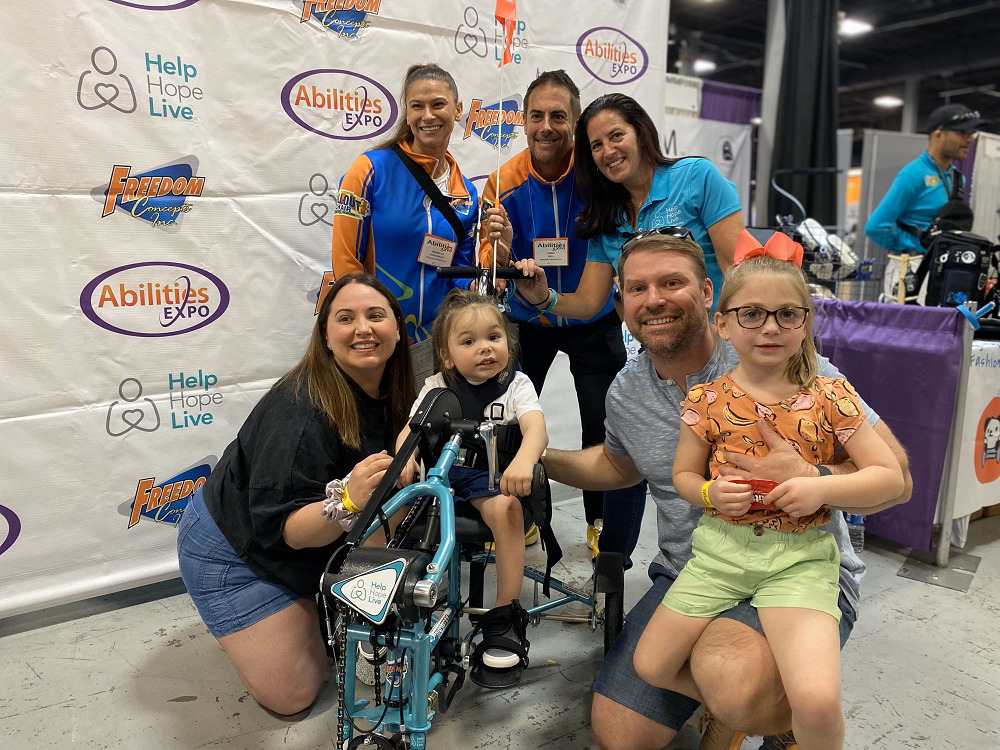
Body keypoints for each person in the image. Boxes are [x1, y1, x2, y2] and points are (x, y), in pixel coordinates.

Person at [540, 232, 911, 750]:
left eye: (673, 282)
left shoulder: (793, 367)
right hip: (696, 567)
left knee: (732, 681)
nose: (655, 299)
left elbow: (898, 479)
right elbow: (618, 466)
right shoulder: (629, 391)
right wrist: (534, 457)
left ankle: (771, 717)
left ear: (709, 296)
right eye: (638, 288)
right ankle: (744, 703)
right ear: (621, 303)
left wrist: (814, 477)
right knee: (621, 733)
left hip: (796, 563)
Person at [511, 92, 746, 567]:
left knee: (728, 473)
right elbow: (591, 302)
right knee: (629, 457)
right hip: (653, 361)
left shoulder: (696, 178)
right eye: (596, 145)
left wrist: (757, 336)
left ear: (642, 132)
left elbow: (739, 264)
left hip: (720, 357)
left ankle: (736, 570)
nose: (608, 151)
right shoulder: (608, 214)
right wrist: (543, 299)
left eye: (616, 135)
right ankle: (612, 568)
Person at [176, 274, 414, 716]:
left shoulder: (395, 387)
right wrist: (347, 498)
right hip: (237, 550)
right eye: (346, 318)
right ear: (325, 336)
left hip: (311, 532)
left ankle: (312, 608)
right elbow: (288, 532)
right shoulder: (300, 412)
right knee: (296, 693)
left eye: (376, 315)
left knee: (395, 513)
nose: (363, 328)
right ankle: (241, 619)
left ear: (399, 330)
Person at [479, 70, 625, 557]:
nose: (546, 126)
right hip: (528, 319)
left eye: (558, 116)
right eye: (536, 116)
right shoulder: (501, 180)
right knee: (512, 420)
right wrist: (497, 252)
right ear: (521, 122)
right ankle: (522, 513)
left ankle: (599, 521)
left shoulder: (600, 173)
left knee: (603, 424)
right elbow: (491, 267)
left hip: (594, 316)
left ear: (577, 121)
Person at [398, 288, 546, 688]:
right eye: (469, 341)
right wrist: (407, 459)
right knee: (388, 502)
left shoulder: (516, 385)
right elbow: (408, 434)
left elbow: (536, 430)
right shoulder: (436, 386)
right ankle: (390, 600)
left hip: (491, 475)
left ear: (508, 344)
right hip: (442, 477)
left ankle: (505, 615)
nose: (485, 348)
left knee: (507, 510)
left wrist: (523, 461)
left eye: (493, 338)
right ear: (447, 355)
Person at [331, 63, 477, 345]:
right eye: (417, 106)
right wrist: (374, 325)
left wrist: (476, 284)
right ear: (407, 113)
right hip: (379, 337)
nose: (428, 115)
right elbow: (346, 263)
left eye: (438, 104)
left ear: (457, 110)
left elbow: (459, 270)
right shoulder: (369, 171)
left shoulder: (466, 193)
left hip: (438, 341)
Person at [865, 104, 987, 301]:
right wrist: (902, 246)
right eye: (963, 132)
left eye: (971, 132)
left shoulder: (957, 178)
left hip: (941, 269)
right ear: (939, 134)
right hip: (910, 267)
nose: (970, 138)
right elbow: (875, 226)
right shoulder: (913, 174)